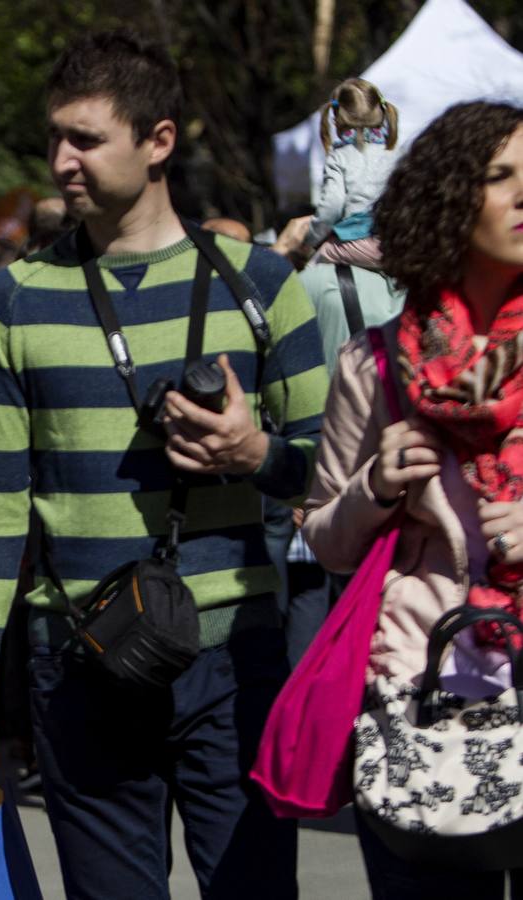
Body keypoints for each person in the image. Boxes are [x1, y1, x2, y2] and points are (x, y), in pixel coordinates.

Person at [0, 30, 328, 899]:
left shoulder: (262, 285)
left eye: (85, 138)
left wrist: (256, 453)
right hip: (79, 661)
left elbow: (333, 479)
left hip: (236, 659)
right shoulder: (13, 300)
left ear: (158, 141)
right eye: (54, 137)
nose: (60, 160)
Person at [303, 100, 523, 899]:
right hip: (420, 699)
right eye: (500, 178)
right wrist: (374, 488)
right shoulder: (375, 365)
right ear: (446, 200)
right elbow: (325, 539)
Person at [297, 77, 401, 270]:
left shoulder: (340, 156)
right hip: (396, 243)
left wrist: (310, 239)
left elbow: (332, 207)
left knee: (310, 272)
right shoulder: (397, 153)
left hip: (357, 241)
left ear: (337, 118)